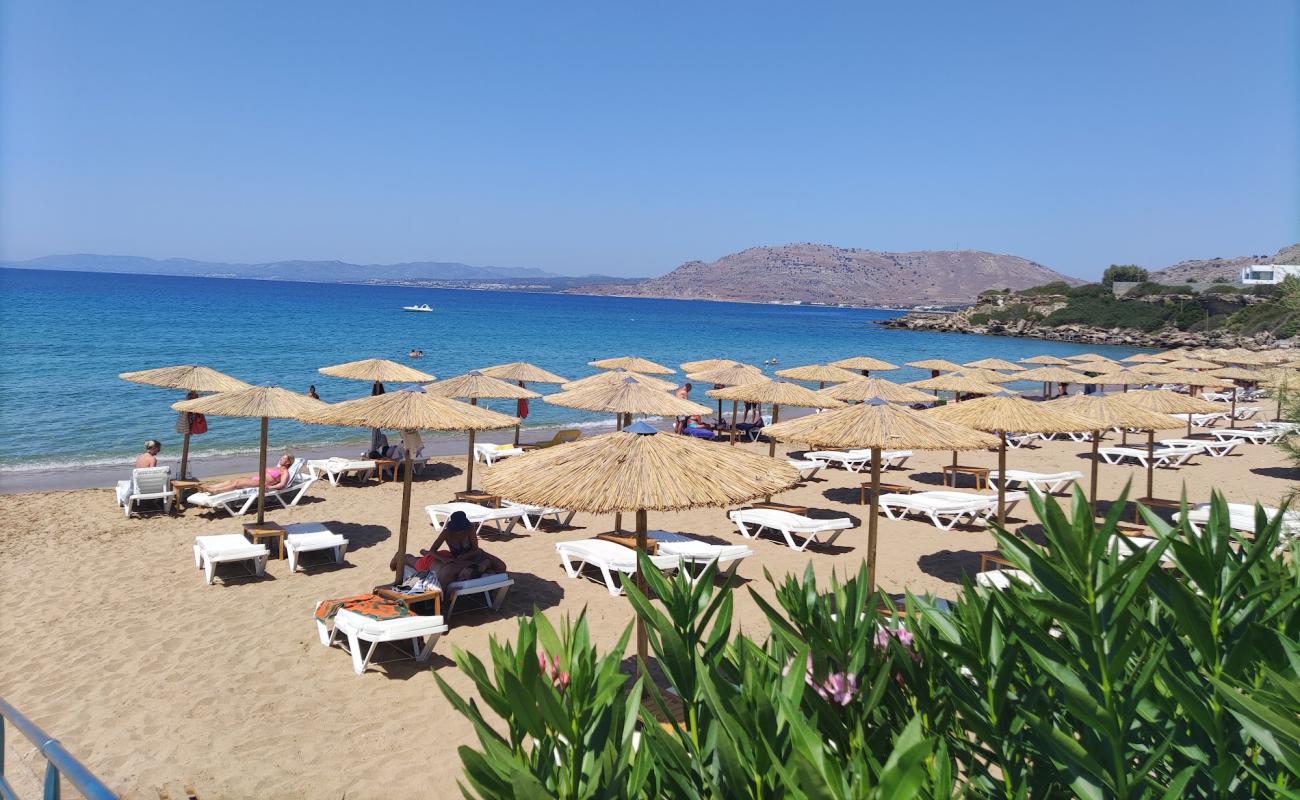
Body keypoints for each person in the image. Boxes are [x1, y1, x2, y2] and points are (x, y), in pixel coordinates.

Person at [390, 511, 505, 586]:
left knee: (501, 567)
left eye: (461, 529)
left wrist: (465, 556)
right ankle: (404, 555)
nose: (460, 532)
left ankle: (424, 553)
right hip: (454, 559)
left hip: (473, 556)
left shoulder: (469, 529)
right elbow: (433, 550)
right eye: (458, 530)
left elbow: (476, 549)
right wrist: (443, 560)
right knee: (425, 559)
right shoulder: (447, 533)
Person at [200, 454, 294, 493]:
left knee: (237, 484)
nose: (281, 458)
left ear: (288, 462)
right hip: (255, 479)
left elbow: (282, 484)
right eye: (281, 457)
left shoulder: (285, 472)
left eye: (284, 458)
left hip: (262, 484)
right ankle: (212, 487)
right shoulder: (277, 467)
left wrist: (270, 487)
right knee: (233, 480)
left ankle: (215, 491)